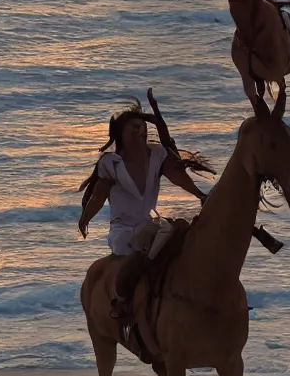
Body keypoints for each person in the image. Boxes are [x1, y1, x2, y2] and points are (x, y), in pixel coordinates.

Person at [77, 97, 210, 322]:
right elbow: (98, 196)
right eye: (134, 126)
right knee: (163, 235)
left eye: (143, 126)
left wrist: (200, 194)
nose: (140, 131)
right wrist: (85, 219)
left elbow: (178, 177)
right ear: (121, 133)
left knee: (182, 234)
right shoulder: (111, 163)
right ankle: (124, 300)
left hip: (149, 225)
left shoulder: (157, 155)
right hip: (124, 231)